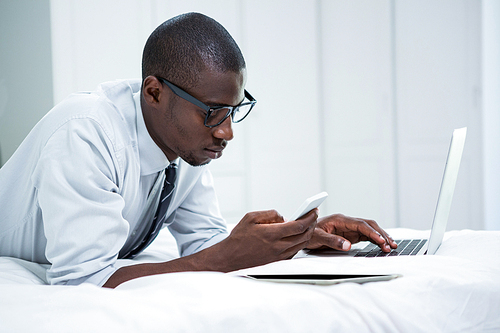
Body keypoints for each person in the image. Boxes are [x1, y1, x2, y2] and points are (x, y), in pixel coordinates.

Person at [0, 12, 397, 288]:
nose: (225, 132)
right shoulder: (86, 133)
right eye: (212, 113)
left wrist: (297, 238)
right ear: (154, 92)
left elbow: (206, 243)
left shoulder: (185, 145)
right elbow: (83, 280)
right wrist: (225, 259)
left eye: (232, 112)